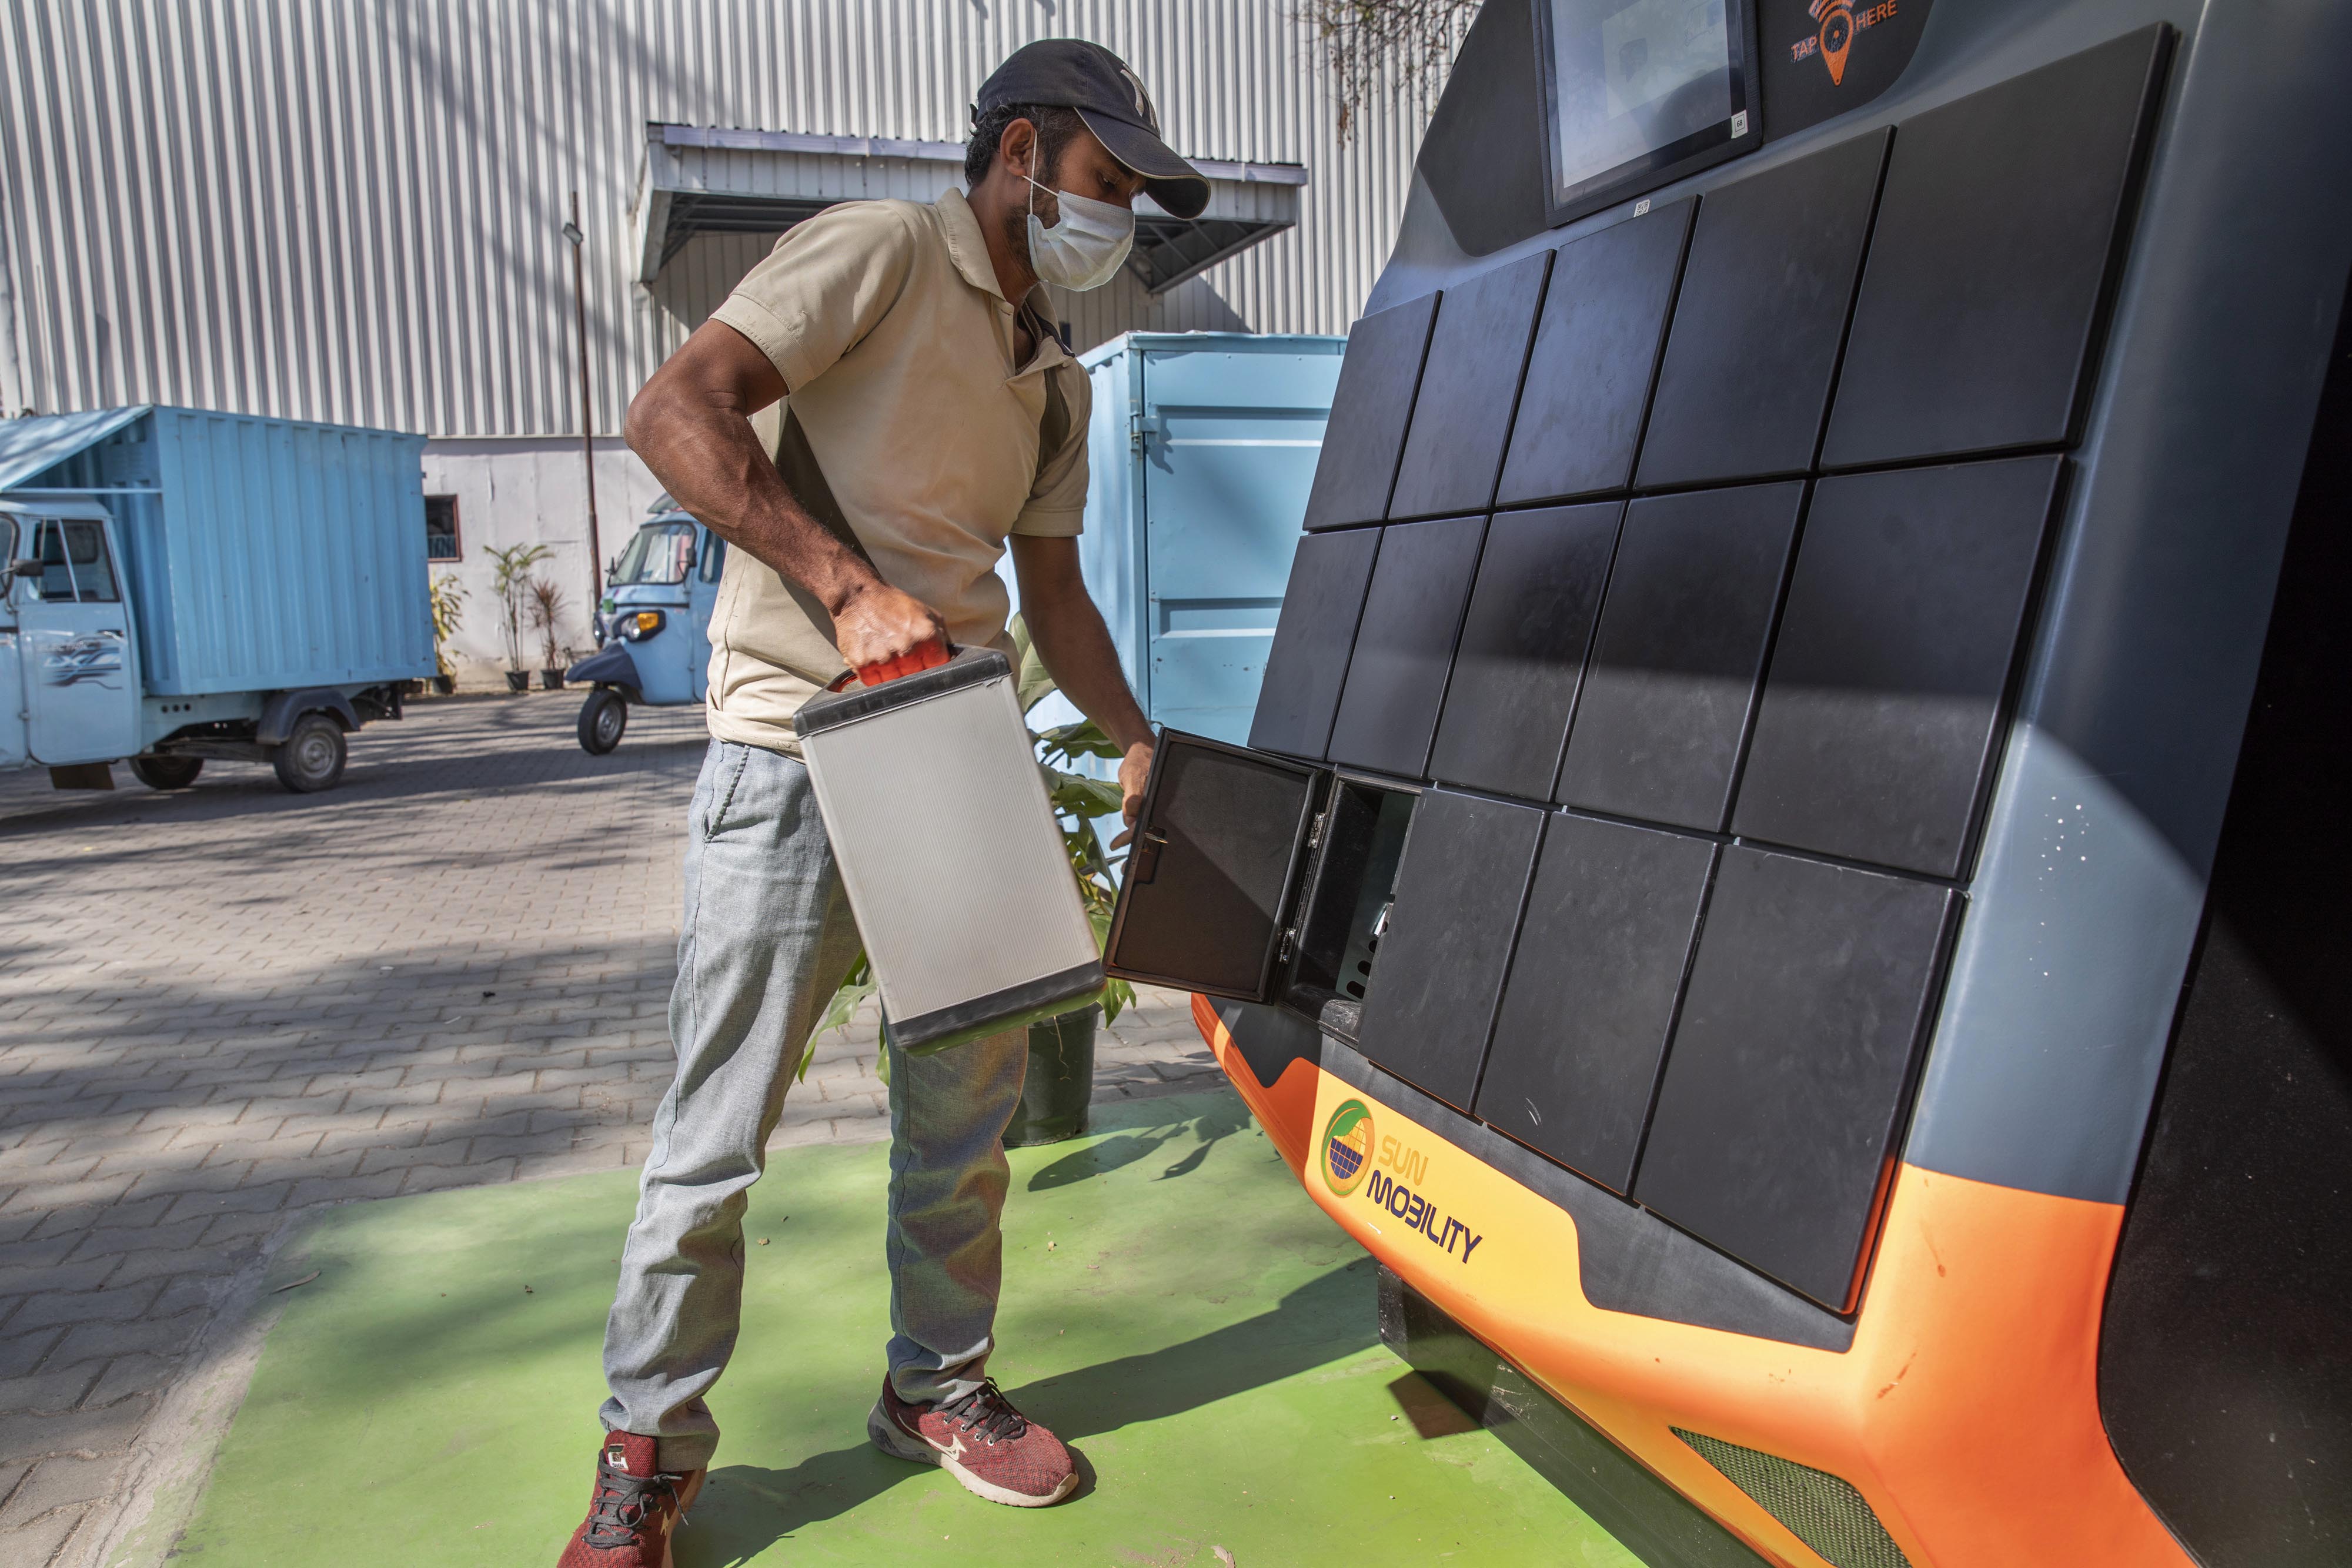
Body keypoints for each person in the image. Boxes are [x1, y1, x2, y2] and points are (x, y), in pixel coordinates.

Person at [554, 38, 1210, 1566]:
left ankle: (937, 1386)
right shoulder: (881, 251)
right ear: (1024, 152)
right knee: (717, 1132)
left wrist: (1131, 732)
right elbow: (675, 409)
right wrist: (844, 585)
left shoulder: (1050, 375)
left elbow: (1051, 590)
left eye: (1128, 201)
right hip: (796, 742)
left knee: (966, 1122)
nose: (1113, 222)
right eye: (1104, 185)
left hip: (960, 760)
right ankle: (646, 1454)